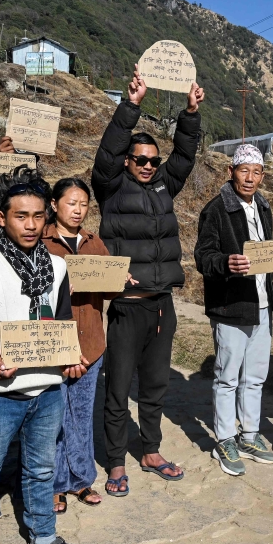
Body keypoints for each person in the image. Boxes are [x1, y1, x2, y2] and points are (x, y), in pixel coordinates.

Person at [0, 166, 80, 544]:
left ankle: (43, 539)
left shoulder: (57, 267)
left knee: (41, 471)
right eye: (21, 216)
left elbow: (61, 324)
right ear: (2, 218)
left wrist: (70, 356)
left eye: (38, 216)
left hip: (46, 391)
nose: (31, 225)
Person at [91, 64, 204, 496]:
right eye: (140, 160)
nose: (148, 166)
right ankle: (116, 462)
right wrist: (130, 105)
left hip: (162, 305)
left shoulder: (163, 186)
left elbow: (185, 156)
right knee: (118, 387)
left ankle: (151, 450)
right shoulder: (110, 186)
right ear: (127, 161)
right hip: (127, 306)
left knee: (155, 385)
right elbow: (105, 153)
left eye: (153, 161)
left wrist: (190, 114)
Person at [194, 144, 273, 475]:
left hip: (261, 304)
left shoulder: (262, 206)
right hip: (231, 305)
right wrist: (225, 263)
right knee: (227, 376)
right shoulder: (216, 210)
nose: (249, 177)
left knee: (255, 377)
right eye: (243, 170)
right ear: (230, 172)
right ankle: (225, 439)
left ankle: (249, 434)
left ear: (262, 176)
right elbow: (203, 256)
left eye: (256, 171)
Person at [41, 177, 126, 511]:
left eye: (83, 204)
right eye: (70, 203)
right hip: (52, 346)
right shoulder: (41, 241)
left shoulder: (94, 242)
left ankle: (82, 480)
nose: (77, 210)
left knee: (81, 415)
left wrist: (120, 281)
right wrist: (60, 285)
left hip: (91, 343)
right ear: (54, 204)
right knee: (54, 417)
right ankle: (54, 484)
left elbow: (107, 289)